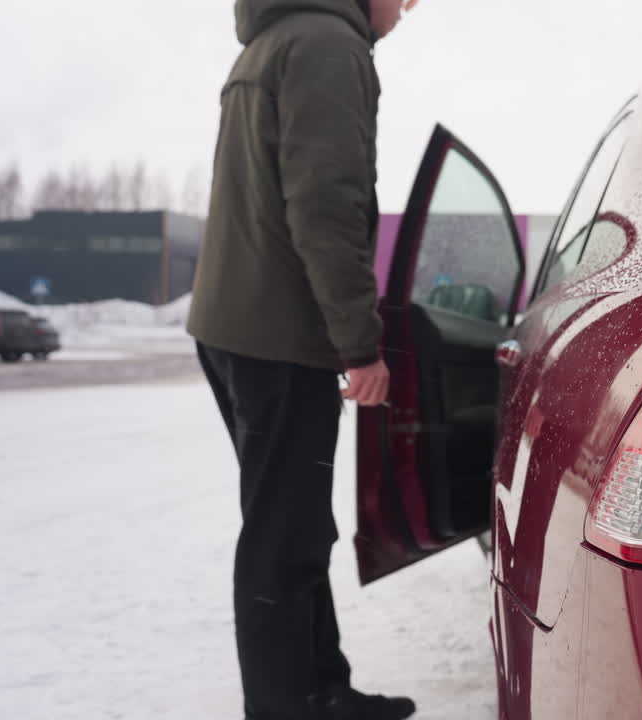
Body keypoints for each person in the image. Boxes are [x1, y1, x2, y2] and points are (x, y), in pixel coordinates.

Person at [186, 0, 416, 718]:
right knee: (283, 535)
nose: (410, 8)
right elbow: (325, 205)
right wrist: (358, 343)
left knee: (295, 520)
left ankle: (325, 689)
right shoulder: (326, 46)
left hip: (238, 327)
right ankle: (287, 706)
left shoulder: (275, 41)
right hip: (279, 337)